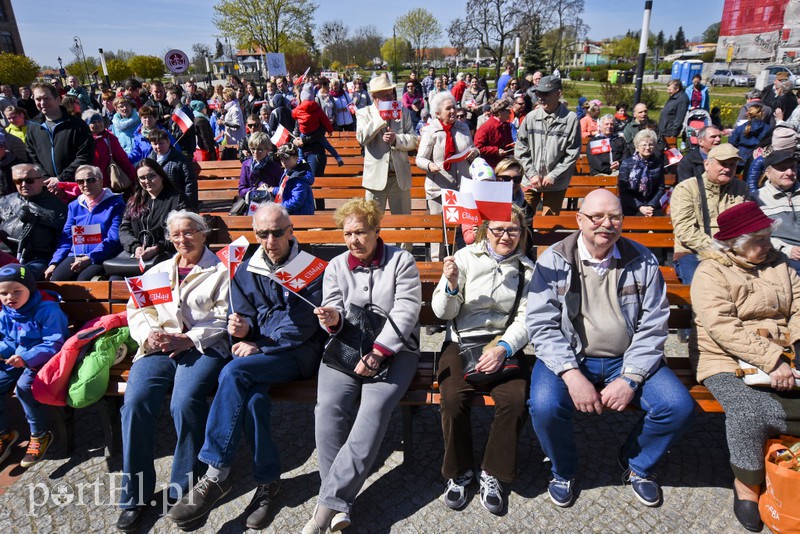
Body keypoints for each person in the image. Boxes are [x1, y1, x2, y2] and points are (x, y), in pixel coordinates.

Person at [527, 188, 696, 508]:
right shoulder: (555, 258)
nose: (606, 224)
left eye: (614, 217)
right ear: (579, 220)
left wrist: (631, 377)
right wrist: (572, 375)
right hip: (570, 356)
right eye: (596, 217)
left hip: (625, 357)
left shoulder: (641, 258)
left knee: (677, 407)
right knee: (545, 406)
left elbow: (654, 325)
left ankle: (637, 464)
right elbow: (541, 324)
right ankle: (563, 469)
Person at [165, 202, 325, 529]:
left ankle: (216, 472)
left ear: (290, 231)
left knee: (233, 372)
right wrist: (242, 328)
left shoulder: (311, 268)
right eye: (263, 234)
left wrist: (257, 343)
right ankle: (268, 483)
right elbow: (246, 314)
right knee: (252, 400)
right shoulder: (246, 268)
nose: (270, 241)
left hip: (296, 353)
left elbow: (301, 327)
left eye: (277, 233)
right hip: (261, 355)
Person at [307, 198, 421, 533]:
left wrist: (379, 353)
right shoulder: (336, 266)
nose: (354, 240)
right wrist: (332, 318)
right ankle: (339, 506)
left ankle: (325, 506)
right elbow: (333, 309)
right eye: (347, 234)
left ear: (376, 230)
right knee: (328, 407)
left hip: (396, 351)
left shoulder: (402, 261)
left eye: (361, 232)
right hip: (345, 349)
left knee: (373, 409)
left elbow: (406, 310)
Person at [115, 210, 229, 533]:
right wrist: (148, 334)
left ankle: (184, 487)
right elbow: (139, 308)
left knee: (185, 400)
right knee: (135, 402)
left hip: (202, 346)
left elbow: (224, 317)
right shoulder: (161, 270)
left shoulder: (220, 270)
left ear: (203, 233)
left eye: (189, 232)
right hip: (159, 348)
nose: (182, 239)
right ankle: (133, 496)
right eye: (176, 235)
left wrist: (188, 338)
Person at [689, 201, 800, 533]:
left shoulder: (779, 263)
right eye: (760, 239)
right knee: (749, 411)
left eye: (768, 237)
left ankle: (784, 465)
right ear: (734, 244)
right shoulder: (711, 271)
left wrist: (797, 343)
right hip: (723, 357)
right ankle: (747, 487)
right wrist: (772, 359)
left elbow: (799, 303)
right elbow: (722, 327)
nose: (768, 245)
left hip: (784, 351)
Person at [432, 205, 533, 514]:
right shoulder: (463, 258)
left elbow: (528, 318)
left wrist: (503, 347)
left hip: (504, 345)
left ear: (522, 233)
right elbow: (441, 313)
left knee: (514, 400)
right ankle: (459, 471)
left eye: (513, 230)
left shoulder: (528, 268)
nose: (506, 236)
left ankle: (492, 471)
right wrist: (450, 287)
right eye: (499, 230)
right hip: (462, 342)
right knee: (452, 397)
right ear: (485, 230)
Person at [0, 264, 69, 468]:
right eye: (3, 293)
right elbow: (6, 339)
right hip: (16, 359)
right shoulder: (6, 312)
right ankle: (5, 434)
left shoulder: (47, 309)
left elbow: (55, 343)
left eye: (16, 291)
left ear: (29, 288)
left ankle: (40, 435)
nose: (9, 297)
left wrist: (26, 357)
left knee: (24, 387)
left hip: (43, 359)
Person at [671, 143, 750, 286]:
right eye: (723, 164)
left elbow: (747, 225)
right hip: (693, 253)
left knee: (750, 285)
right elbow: (684, 229)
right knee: (704, 288)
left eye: (732, 165)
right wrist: (717, 249)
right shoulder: (687, 188)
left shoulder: (741, 188)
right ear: (707, 164)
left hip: (734, 253)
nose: (727, 169)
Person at [417, 91, 479, 260]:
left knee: (462, 228)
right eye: (448, 109)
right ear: (438, 113)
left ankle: (463, 262)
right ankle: (437, 263)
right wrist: (430, 165)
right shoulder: (431, 131)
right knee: (439, 228)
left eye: (454, 107)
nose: (453, 111)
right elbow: (420, 159)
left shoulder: (463, 127)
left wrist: (474, 153)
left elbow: (473, 149)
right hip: (438, 188)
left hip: (462, 188)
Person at [105, 159, 186, 278]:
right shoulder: (134, 201)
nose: (147, 181)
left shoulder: (177, 199)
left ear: (161, 176)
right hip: (137, 255)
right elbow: (124, 229)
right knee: (115, 279)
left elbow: (182, 231)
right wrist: (135, 246)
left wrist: (157, 248)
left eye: (151, 176)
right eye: (142, 178)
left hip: (166, 253)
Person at [44, 165, 124, 281]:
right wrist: (54, 263)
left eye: (90, 180)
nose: (86, 184)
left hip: (103, 255)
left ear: (101, 181)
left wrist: (90, 257)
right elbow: (67, 238)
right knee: (55, 279)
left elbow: (113, 239)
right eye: (80, 181)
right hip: (75, 255)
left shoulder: (117, 205)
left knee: (83, 279)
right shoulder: (74, 206)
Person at [515, 75, 580, 216]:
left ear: (558, 93)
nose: (541, 97)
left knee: (550, 223)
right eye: (539, 93)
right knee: (522, 218)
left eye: (546, 94)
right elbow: (521, 149)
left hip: (556, 183)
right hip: (530, 181)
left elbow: (572, 153)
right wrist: (531, 174)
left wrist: (553, 175)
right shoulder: (531, 117)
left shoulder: (570, 119)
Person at [356, 75, 418, 216]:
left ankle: (401, 239)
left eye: (392, 94)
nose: (391, 99)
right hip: (375, 180)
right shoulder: (363, 113)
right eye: (385, 96)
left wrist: (396, 140)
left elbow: (414, 139)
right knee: (373, 224)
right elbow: (361, 138)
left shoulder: (403, 111)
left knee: (403, 224)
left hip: (399, 178)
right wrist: (380, 117)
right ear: (374, 96)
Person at [0, 164, 67, 279]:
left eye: (29, 180)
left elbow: (64, 240)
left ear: (41, 180)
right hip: (5, 256)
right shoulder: (4, 202)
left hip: (37, 259)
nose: (23, 185)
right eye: (18, 181)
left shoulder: (57, 206)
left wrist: (55, 263)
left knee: (19, 277)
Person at [26, 82, 94, 190]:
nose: (42, 103)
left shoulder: (77, 125)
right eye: (38, 99)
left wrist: (60, 179)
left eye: (46, 98)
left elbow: (85, 156)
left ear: (57, 100)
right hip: (47, 187)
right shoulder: (33, 127)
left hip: (76, 186)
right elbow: (32, 157)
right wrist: (46, 179)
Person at [756, 150, 800, 274]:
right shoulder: (758, 198)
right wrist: (787, 249)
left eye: (793, 167)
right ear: (768, 173)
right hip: (779, 256)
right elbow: (757, 236)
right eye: (782, 169)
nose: (789, 172)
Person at [292, 84, 345, 166]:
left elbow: (294, 115)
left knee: (300, 145)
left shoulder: (298, 109)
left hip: (304, 132)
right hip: (315, 130)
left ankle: (301, 158)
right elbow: (325, 120)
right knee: (327, 145)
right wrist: (330, 130)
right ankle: (337, 157)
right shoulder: (317, 108)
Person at [145, 129, 198, 211]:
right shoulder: (149, 161)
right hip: (157, 203)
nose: (158, 147)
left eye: (161, 143)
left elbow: (190, 184)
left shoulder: (181, 160)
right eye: (155, 144)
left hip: (177, 202)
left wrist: (189, 206)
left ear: (168, 142)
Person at [84, 111, 137, 190]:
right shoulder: (83, 141)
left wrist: (134, 179)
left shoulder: (110, 138)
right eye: (93, 122)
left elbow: (123, 160)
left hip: (110, 183)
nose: (98, 124)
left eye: (99, 121)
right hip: (90, 184)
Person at [618, 129, 665, 217]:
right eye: (644, 145)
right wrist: (640, 206)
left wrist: (651, 205)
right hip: (631, 204)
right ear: (637, 147)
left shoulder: (658, 163)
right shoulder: (627, 163)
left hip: (652, 205)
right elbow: (623, 191)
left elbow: (661, 188)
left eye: (650, 144)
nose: (647, 148)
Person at [748, 125, 797, 194]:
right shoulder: (760, 161)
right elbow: (752, 184)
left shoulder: (794, 161)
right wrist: (757, 199)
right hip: (766, 197)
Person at [237, 132, 283, 201]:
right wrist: (256, 190)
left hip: (270, 205)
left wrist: (269, 189)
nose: (255, 152)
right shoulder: (246, 165)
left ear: (267, 150)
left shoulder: (275, 167)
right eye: (253, 149)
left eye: (260, 149)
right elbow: (241, 190)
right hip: (251, 204)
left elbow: (281, 189)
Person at [271, 144, 315, 215]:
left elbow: (296, 201)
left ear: (296, 158)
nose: (283, 162)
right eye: (281, 159)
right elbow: (285, 189)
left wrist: (277, 207)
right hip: (290, 213)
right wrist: (273, 190)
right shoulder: (289, 172)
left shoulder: (300, 177)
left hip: (300, 216)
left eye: (286, 158)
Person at [474, 99, 515, 169]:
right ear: (500, 113)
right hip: (490, 167)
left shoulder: (506, 126)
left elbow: (508, 144)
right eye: (508, 111)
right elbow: (478, 147)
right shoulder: (486, 128)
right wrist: (496, 151)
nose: (510, 113)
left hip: (505, 165)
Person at [730, 104, 772, 169]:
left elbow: (732, 142)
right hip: (757, 157)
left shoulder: (741, 127)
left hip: (741, 156)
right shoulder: (768, 129)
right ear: (762, 114)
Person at [165, 85, 197, 159]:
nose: (166, 99)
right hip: (179, 148)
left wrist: (170, 138)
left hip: (183, 149)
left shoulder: (182, 111)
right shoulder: (177, 110)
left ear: (174, 96)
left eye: (168, 96)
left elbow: (184, 131)